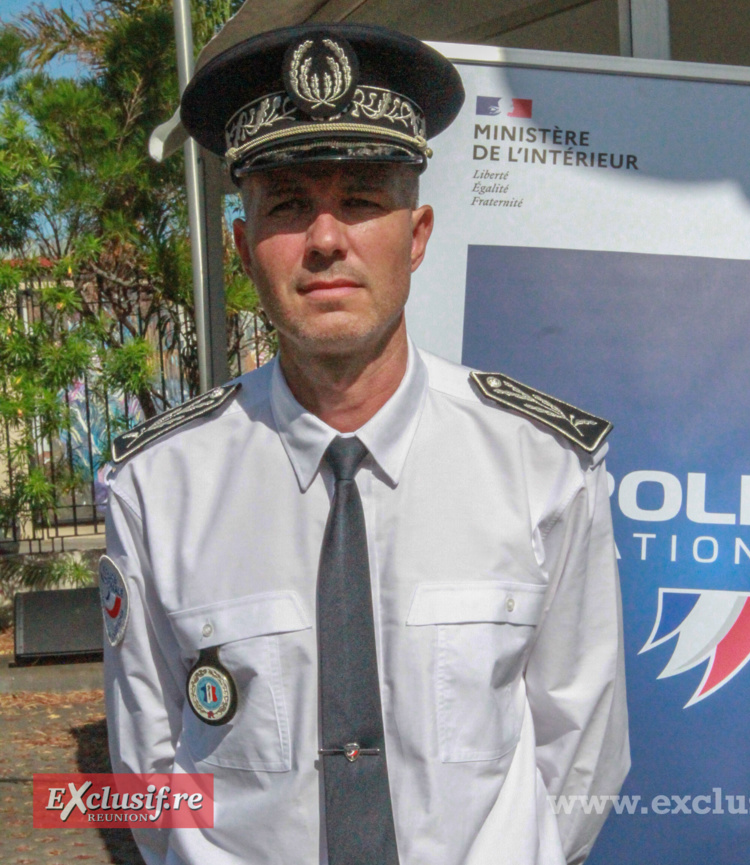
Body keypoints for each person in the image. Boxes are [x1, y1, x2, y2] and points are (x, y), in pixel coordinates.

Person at [101, 22, 629, 865]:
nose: (323, 238)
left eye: (360, 199)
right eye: (284, 203)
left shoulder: (542, 467)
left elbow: (580, 751)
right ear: (242, 248)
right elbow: (148, 764)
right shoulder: (158, 487)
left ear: (416, 236)